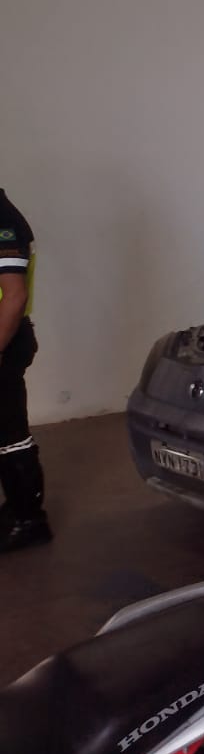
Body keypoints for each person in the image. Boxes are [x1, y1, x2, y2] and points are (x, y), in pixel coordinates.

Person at [0, 188, 48, 552]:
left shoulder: (3, 220)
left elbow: (14, 296)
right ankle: (15, 509)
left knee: (9, 434)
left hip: (5, 341)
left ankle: (30, 520)